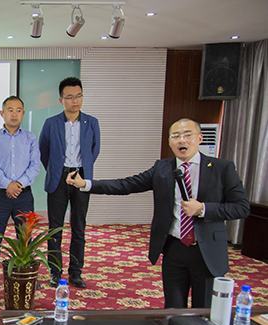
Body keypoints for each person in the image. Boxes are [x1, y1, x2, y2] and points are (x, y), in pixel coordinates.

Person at [67, 118, 250, 308]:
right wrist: (86, 184)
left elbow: (241, 207)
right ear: (170, 142)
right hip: (174, 248)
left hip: (206, 251)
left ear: (199, 138)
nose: (181, 140)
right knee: (172, 308)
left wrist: (203, 209)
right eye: (176, 136)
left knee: (203, 311)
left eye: (187, 135)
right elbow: (126, 185)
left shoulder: (222, 168)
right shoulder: (162, 168)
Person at [40, 77, 100, 289]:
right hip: (58, 179)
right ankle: (55, 271)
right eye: (70, 97)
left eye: (78, 96)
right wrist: (57, 170)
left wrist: (82, 173)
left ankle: (75, 271)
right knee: (55, 228)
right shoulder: (51, 123)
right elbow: (44, 151)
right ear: (61, 100)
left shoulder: (91, 122)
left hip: (81, 179)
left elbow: (94, 150)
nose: (75, 101)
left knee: (79, 226)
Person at [0, 96, 41, 289]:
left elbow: (35, 166)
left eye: (18, 110)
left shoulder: (31, 138)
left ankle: (27, 273)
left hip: (24, 195)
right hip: (0, 195)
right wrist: (8, 184)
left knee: (25, 237)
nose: (14, 114)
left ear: (23, 113)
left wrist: (18, 185)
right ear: (2, 113)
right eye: (10, 110)